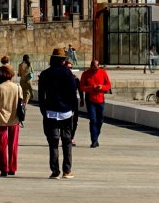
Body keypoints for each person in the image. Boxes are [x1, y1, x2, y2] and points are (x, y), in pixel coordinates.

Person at [38, 45, 79, 180]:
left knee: (53, 142)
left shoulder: (45, 74)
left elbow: (41, 95)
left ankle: (55, 171)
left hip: (50, 112)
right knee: (66, 142)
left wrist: (43, 110)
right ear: (63, 60)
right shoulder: (68, 74)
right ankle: (67, 171)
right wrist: (73, 108)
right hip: (66, 112)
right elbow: (73, 93)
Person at [0, 63, 22, 176]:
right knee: (13, 145)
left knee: (2, 145)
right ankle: (12, 168)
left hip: (0, 120)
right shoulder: (17, 87)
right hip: (15, 119)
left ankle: (4, 169)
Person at [79, 59, 112, 148]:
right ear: (91, 66)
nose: (95, 70)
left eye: (96, 68)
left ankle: (96, 137)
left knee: (100, 120)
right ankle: (94, 141)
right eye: (93, 68)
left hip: (100, 99)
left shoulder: (103, 73)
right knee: (93, 120)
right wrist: (91, 88)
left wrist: (102, 87)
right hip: (90, 100)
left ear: (98, 66)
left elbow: (108, 85)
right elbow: (81, 87)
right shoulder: (85, 74)